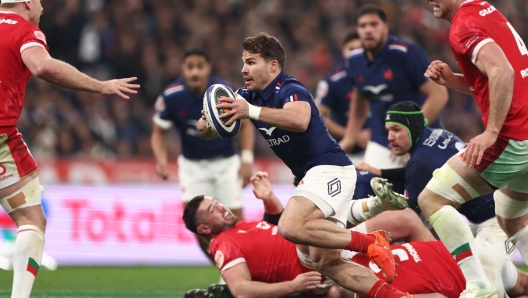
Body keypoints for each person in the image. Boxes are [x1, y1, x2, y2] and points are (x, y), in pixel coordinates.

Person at [198, 32, 407, 298]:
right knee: (325, 263)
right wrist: (208, 119)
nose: (243, 69)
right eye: (243, 62)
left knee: (289, 227)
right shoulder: (246, 95)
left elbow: (300, 120)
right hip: (318, 175)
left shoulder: (290, 89)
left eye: (251, 62)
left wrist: (248, 111)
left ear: (273, 65)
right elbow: (204, 129)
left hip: (330, 169)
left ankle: (371, 242)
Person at [183, 172, 527, 298]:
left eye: (217, 203)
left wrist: (267, 198)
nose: (222, 208)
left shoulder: (241, 228)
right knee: (303, 222)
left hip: (332, 253)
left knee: (403, 218)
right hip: (314, 266)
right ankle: (372, 216)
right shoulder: (223, 244)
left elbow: (277, 227)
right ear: (204, 229)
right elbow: (242, 289)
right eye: (213, 210)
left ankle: (374, 218)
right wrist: (293, 287)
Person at [0, 0, 139, 296]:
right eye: (38, 2)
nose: (42, 9)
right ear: (26, 3)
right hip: (1, 134)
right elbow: (41, 66)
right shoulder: (24, 30)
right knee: (31, 219)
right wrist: (100, 86)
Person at [420, 0, 528, 296]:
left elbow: (503, 73)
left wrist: (491, 133)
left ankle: (479, 285)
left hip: (512, 137)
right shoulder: (485, 9)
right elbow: (498, 76)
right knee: (511, 214)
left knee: (432, 200)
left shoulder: (463, 26)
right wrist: (454, 81)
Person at [353, 101, 514, 260]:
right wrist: (381, 171)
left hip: (494, 222)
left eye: (396, 130)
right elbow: (423, 169)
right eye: (388, 131)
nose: (390, 138)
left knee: (490, 281)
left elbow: (410, 218)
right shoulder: (439, 134)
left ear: (413, 128)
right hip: (497, 207)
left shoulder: (419, 162)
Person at [151, 49, 254, 256]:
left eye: (200, 66)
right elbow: (158, 132)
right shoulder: (171, 96)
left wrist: (246, 160)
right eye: (190, 67)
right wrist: (161, 160)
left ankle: (242, 274)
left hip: (226, 164)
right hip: (192, 166)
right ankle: (226, 273)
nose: (195, 72)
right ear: (183, 70)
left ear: (208, 68)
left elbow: (246, 125)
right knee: (197, 226)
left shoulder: (225, 92)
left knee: (235, 223)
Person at [339, 4, 448, 169]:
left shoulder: (406, 53)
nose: (368, 30)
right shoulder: (354, 60)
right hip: (382, 141)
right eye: (363, 26)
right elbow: (359, 103)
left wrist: (412, 134)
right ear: (357, 30)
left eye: (374, 24)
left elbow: (439, 95)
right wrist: (349, 138)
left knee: (428, 193)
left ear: (385, 28)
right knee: (372, 187)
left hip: (423, 136)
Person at [315, 31, 371, 164]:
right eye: (351, 49)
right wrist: (353, 135)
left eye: (360, 49)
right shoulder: (332, 82)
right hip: (346, 153)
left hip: (380, 150)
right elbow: (317, 117)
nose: (355, 53)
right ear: (343, 51)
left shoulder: (381, 75)